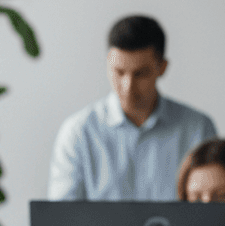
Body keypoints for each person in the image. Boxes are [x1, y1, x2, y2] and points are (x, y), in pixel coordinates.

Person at [48, 15, 216, 201]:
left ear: (162, 67)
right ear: (107, 64)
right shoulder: (78, 132)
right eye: (119, 72)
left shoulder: (198, 129)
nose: (128, 87)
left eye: (140, 74)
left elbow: (211, 211)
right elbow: (62, 216)